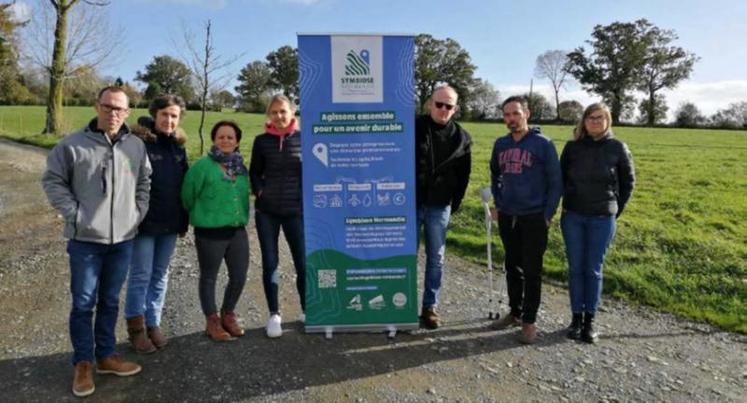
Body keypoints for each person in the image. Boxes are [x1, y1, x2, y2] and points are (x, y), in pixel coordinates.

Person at [42, 86, 151, 397]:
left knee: (110, 301)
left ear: (128, 112)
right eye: (107, 107)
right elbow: (52, 180)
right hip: (86, 241)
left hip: (123, 240)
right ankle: (84, 363)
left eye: (119, 108)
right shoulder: (72, 145)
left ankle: (106, 356)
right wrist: (75, 214)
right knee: (83, 303)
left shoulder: (135, 146)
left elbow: (144, 180)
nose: (113, 113)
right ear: (96, 106)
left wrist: (137, 212)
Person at [560, 103, 635, 343]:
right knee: (575, 268)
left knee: (593, 269)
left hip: (602, 218)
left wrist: (613, 210)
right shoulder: (572, 148)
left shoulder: (617, 148)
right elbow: (560, 179)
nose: (594, 121)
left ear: (608, 120)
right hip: (573, 216)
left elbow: (628, 183)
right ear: (583, 121)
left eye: (600, 118)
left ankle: (590, 321)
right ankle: (575, 318)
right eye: (590, 118)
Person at [489, 95, 562, 344]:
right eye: (507, 115)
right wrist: (498, 204)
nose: (511, 119)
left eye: (515, 114)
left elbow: (556, 182)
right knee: (512, 266)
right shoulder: (500, 144)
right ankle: (515, 312)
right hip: (508, 215)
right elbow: (495, 176)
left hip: (534, 216)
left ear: (527, 114)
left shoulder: (543, 144)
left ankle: (529, 321)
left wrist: (548, 214)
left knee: (532, 271)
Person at [124, 95, 189, 353]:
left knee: (160, 275)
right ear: (154, 115)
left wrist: (184, 220)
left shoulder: (178, 148)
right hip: (143, 224)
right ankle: (136, 329)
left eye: (174, 116)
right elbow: (127, 182)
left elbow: (183, 188)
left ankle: (154, 323)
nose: (169, 120)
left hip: (171, 222)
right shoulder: (138, 143)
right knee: (140, 275)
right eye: (165, 115)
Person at [181, 120, 250, 342]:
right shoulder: (202, 166)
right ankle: (212, 320)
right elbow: (187, 196)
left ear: (237, 141)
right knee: (209, 277)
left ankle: (228, 314)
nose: (226, 140)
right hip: (210, 232)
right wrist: (203, 214)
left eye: (230, 137)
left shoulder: (241, 168)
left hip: (237, 231)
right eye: (221, 136)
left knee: (239, 276)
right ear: (214, 139)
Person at [415, 85, 472, 329]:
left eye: (449, 106)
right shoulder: (413, 127)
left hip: (440, 206)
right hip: (411, 204)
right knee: (406, 255)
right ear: (430, 104)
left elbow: (464, 175)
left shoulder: (462, 137)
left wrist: (453, 203)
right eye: (439, 104)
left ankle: (430, 306)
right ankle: (401, 303)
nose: (443, 110)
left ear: (455, 109)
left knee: (436, 258)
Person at [249, 94, 305, 338]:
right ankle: (274, 314)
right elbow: (254, 173)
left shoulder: (305, 139)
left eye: (283, 111)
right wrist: (261, 192)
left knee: (302, 263)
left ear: (292, 112)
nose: (279, 116)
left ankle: (307, 309)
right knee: (270, 263)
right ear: (269, 116)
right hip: (267, 213)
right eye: (274, 112)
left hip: (296, 212)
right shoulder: (261, 141)